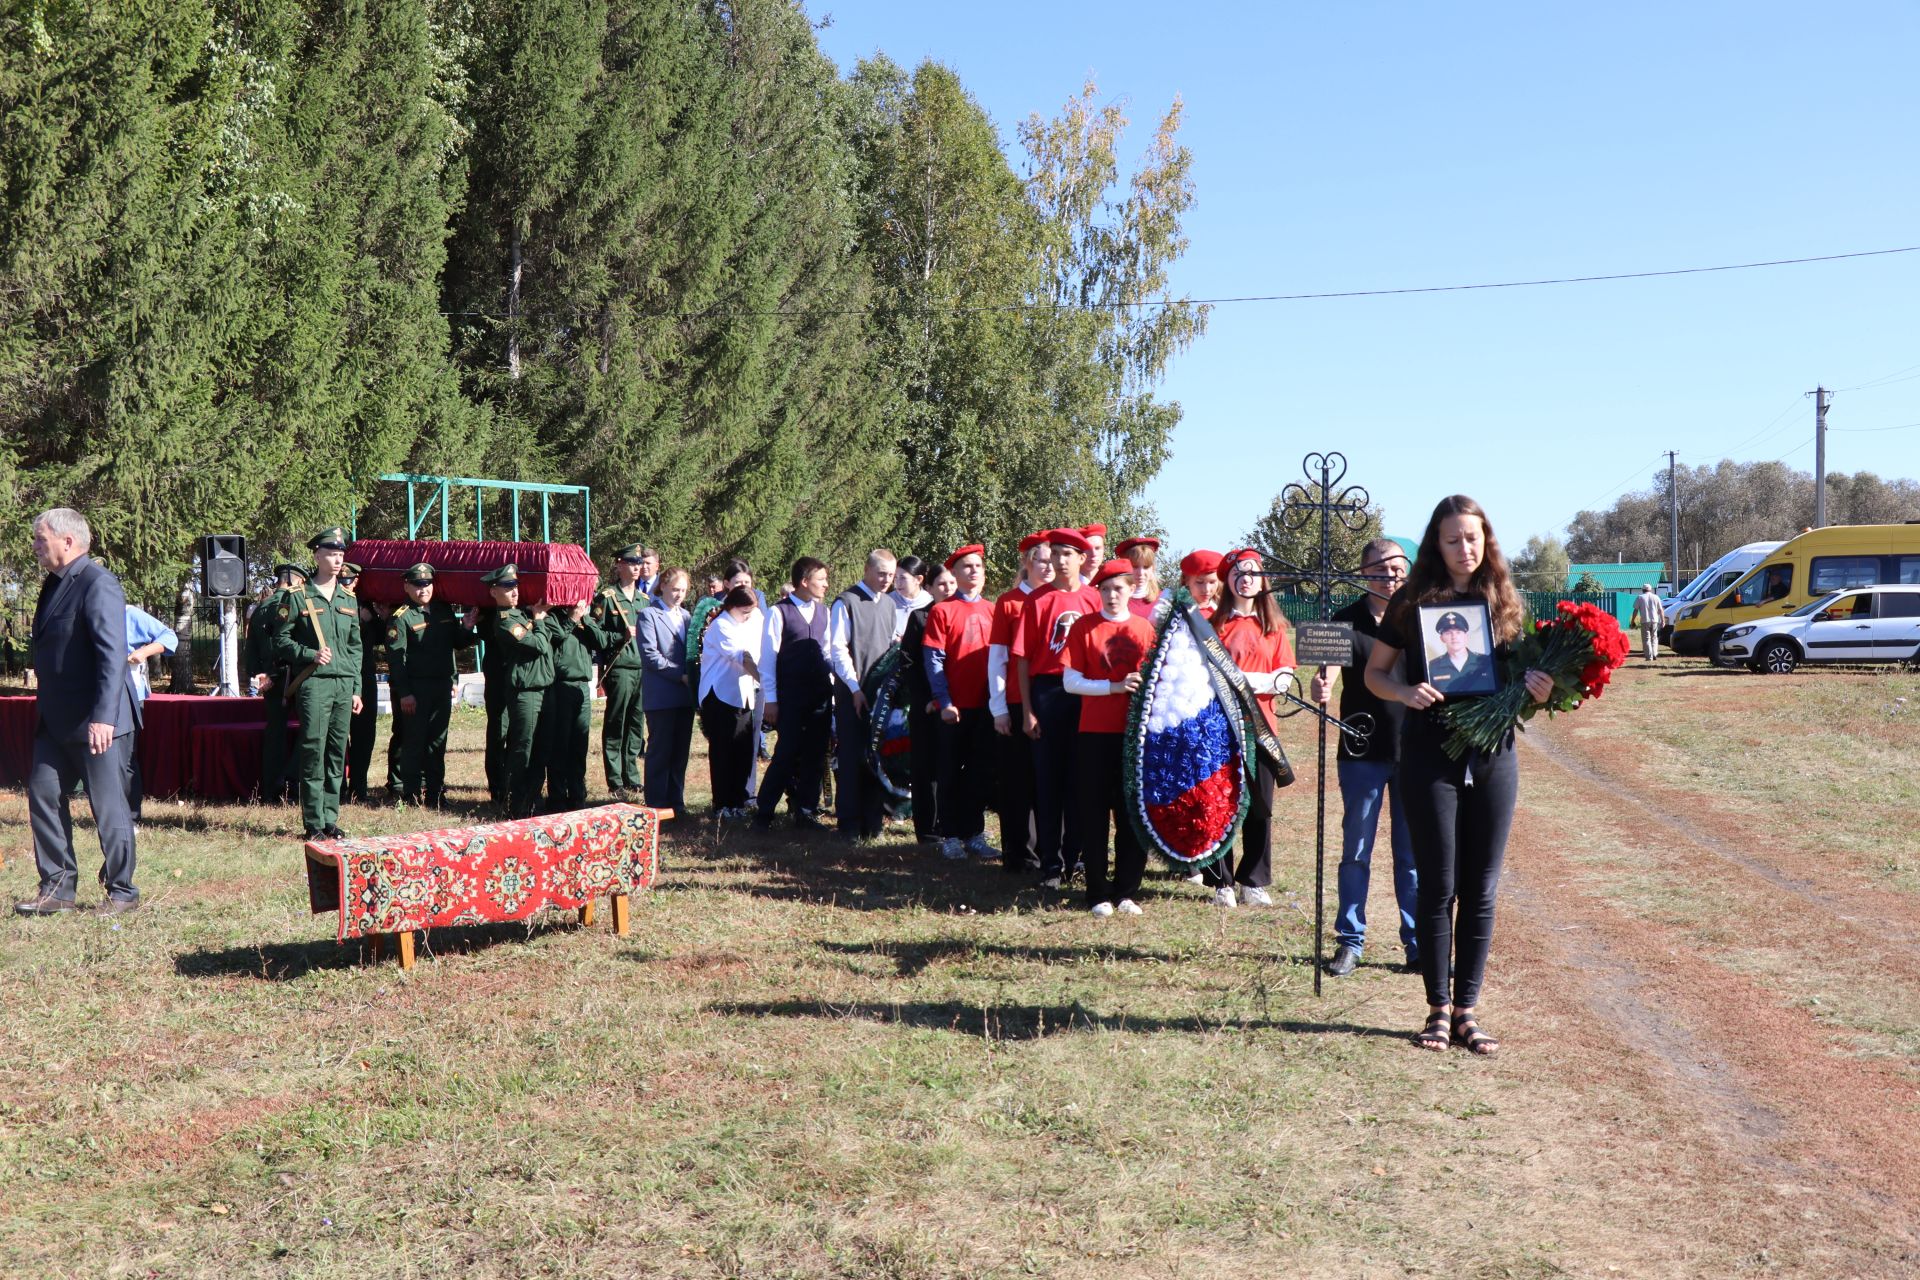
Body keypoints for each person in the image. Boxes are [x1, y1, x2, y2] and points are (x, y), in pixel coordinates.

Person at [1365, 495, 1553, 1057]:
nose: (1464, 548)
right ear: (1436, 544)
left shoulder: (1503, 601)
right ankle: (1437, 1012)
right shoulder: (1410, 602)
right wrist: (1404, 690)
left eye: (1473, 537)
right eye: (1452, 539)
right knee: (1438, 884)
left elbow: (1519, 682)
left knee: (1481, 889)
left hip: (1493, 758)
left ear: (1485, 539)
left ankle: (1469, 1011)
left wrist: (1538, 690)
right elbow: (1377, 674)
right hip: (1428, 755)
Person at [18, 508, 142, 916]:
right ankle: (57, 888)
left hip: (97, 721)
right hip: (55, 721)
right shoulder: (53, 585)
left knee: (108, 807)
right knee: (44, 794)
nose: (35, 547)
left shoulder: (98, 583)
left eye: (41, 539)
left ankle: (122, 891)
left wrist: (104, 717)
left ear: (67, 542)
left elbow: (112, 656)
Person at [1309, 538, 1417, 977]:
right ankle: (1350, 941)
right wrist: (1323, 687)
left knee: (1412, 856)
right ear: (1363, 574)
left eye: (1397, 569)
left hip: (1413, 751)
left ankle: (1418, 944)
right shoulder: (1343, 621)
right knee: (1356, 850)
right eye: (1380, 570)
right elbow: (1326, 674)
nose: (1390, 578)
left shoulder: (1417, 619)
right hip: (1360, 753)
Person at [1204, 549, 1297, 908]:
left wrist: (1247, 680)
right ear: (1227, 581)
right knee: (1221, 805)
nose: (1245, 578)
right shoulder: (1214, 626)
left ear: (1262, 580)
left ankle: (1253, 881)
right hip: (1220, 729)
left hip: (1262, 731)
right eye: (1237, 573)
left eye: (1253, 572)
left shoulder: (1273, 627)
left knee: (1260, 805)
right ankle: (1220, 882)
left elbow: (1284, 677)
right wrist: (1258, 680)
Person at [1063, 558, 1156, 916]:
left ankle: (1127, 890)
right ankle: (1098, 892)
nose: (1112, 595)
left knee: (1131, 812)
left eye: (1119, 588)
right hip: (1094, 734)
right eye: (1105, 589)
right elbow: (1070, 682)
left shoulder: (1145, 629)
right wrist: (1114, 686)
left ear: (1132, 589)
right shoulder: (1084, 627)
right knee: (1094, 812)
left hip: (1134, 736)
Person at [1014, 527, 1099, 890]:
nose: (1061, 561)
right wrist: (1027, 710)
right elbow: (1021, 659)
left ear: (1082, 559)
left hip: (1086, 694)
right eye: (1056, 553)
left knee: (1082, 779)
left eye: (1069, 554)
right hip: (1048, 691)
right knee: (1048, 781)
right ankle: (1050, 864)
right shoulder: (1037, 600)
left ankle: (1076, 856)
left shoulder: (1095, 599)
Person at [272, 527, 365, 841]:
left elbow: (355, 648)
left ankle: (329, 818)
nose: (337, 559)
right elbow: (280, 641)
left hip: (342, 685)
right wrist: (309, 653)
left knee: (337, 752)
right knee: (314, 750)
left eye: (340, 553)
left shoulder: (348, 598)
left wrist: (356, 689)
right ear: (316, 555)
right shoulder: (297, 596)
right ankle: (313, 823)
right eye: (330, 553)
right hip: (314, 684)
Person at [384, 562, 478, 809]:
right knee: (414, 742)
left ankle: (436, 793)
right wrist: (404, 693)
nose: (423, 589)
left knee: (438, 741)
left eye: (427, 584)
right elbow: (397, 660)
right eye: (417, 584)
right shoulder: (401, 617)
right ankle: (411, 795)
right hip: (416, 689)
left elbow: (454, 644)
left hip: (441, 686)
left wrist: (467, 627)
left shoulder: (444, 610)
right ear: (407, 586)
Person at [925, 544, 997, 860]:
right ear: (954, 573)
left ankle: (975, 834)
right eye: (966, 566)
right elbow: (934, 659)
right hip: (954, 707)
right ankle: (950, 835)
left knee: (980, 773)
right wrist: (944, 700)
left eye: (978, 566)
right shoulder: (942, 610)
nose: (973, 571)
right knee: (950, 772)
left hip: (987, 707)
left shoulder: (994, 610)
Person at [988, 533, 1052, 873]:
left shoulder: (1060, 599)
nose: (1047, 566)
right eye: (1040, 560)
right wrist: (998, 707)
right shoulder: (1009, 602)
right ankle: (1019, 855)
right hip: (1015, 702)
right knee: (1017, 782)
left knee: (1049, 782)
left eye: (1051, 560)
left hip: (1053, 702)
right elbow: (997, 658)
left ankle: (1050, 852)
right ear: (1027, 562)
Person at [756, 557, 834, 830]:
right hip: (790, 696)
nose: (826, 584)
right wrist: (771, 700)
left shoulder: (825, 612)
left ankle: (806, 810)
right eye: (821, 579)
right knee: (786, 754)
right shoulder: (779, 613)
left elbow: (828, 654)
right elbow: (767, 661)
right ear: (804, 582)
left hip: (820, 697)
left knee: (815, 754)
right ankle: (764, 812)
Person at [477, 564, 555, 819]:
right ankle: (515, 802)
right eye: (507, 587)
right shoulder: (506, 621)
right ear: (493, 591)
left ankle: (532, 798)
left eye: (516, 586)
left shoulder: (521, 615)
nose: (514, 592)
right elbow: (539, 645)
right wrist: (540, 621)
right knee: (523, 747)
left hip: (540, 688)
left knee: (540, 748)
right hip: (525, 692)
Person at [828, 549, 897, 838]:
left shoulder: (890, 605)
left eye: (891, 575)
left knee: (876, 757)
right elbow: (838, 648)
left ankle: (873, 821)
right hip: (853, 693)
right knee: (852, 757)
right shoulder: (847, 602)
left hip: (879, 695)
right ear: (867, 570)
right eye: (881, 573)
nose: (886, 579)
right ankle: (850, 823)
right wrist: (855, 688)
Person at [899, 560, 955, 843]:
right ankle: (927, 827)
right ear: (930, 587)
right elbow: (909, 662)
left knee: (951, 765)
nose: (947, 588)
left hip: (956, 704)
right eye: (941, 584)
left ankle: (951, 824)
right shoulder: (920, 618)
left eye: (951, 583)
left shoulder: (961, 614)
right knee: (925, 766)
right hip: (926, 706)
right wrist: (928, 699)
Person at [591, 544, 652, 800]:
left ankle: (632, 776)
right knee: (617, 722)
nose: (637, 567)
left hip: (641, 669)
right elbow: (595, 633)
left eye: (639, 562)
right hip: (619, 668)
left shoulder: (644, 600)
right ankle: (615, 779)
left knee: (636, 725)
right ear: (618, 565)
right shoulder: (607, 597)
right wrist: (619, 636)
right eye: (631, 562)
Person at [697, 585, 763, 816]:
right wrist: (767, 682)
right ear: (732, 606)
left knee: (743, 750)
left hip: (743, 694)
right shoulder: (722, 625)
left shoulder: (746, 622)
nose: (748, 616)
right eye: (745, 612)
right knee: (724, 751)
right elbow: (743, 658)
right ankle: (722, 803)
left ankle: (737, 802)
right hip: (720, 696)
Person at [638, 568, 695, 815]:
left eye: (683, 590)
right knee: (660, 751)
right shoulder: (648, 614)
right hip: (662, 695)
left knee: (680, 752)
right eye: (674, 589)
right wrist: (679, 674)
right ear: (663, 586)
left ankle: (677, 803)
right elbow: (651, 655)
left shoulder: (686, 616)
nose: (679, 594)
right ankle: (657, 805)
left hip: (684, 696)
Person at [542, 597, 607, 812]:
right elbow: (557, 637)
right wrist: (571, 618)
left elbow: (602, 641)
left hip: (581, 686)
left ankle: (578, 794)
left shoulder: (585, 618)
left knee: (580, 743)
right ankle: (557, 796)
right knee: (560, 744)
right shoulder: (553, 616)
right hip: (560, 685)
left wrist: (585, 618)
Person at [248, 563, 305, 802]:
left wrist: (260, 674)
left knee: (275, 734)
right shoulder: (290, 603)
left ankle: (271, 790)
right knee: (312, 731)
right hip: (294, 675)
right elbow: (285, 642)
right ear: (294, 581)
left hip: (269, 679)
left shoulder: (260, 607)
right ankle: (291, 781)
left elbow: (250, 648)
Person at [121, 601, 178, 822]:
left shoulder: (129, 614)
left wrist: (143, 651)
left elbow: (169, 636)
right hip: (94, 692)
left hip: (129, 692)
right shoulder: (84, 611)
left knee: (126, 755)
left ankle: (131, 817)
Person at [341, 563, 385, 803]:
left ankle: (359, 788)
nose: (345, 584)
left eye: (349, 580)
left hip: (365, 677)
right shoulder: (332, 602)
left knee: (364, 736)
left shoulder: (366, 605)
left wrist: (374, 618)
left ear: (356, 582)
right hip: (340, 676)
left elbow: (384, 636)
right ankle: (337, 788)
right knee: (337, 738)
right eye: (341, 580)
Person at [1427, 611, 1494, 695]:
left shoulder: (1486, 662)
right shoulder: (1432, 667)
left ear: (1466, 636)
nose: (1454, 637)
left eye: (1458, 632)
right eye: (1448, 633)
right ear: (1442, 638)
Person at [1114, 536, 1161, 616]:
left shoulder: (1163, 601)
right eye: (1135, 566)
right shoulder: (1113, 599)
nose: (1140, 572)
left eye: (1146, 567)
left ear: (1153, 568)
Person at [888, 555, 932, 641]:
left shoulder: (930, 603)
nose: (898, 583)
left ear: (919, 579)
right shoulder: (888, 601)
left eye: (903, 578)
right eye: (895, 577)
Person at [1178, 549, 1223, 618]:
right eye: (1200, 582)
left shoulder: (1222, 613)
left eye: (1212, 582)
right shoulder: (1176, 611)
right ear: (1186, 581)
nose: (1206, 589)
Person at [1631, 583, 1665, 662]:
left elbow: (1635, 610)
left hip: (1645, 620)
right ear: (1651, 590)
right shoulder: (1656, 597)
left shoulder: (1640, 597)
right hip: (1655, 620)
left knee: (1646, 639)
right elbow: (1660, 610)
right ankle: (1654, 653)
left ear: (1642, 590)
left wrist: (1633, 620)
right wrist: (1663, 620)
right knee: (1654, 638)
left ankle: (1649, 657)